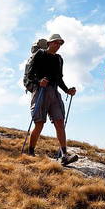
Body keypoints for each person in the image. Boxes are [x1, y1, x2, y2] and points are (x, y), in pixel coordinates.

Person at [26, 34, 78, 166]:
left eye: (60, 44)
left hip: (54, 91)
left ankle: (64, 155)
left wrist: (67, 90)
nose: (58, 45)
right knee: (39, 123)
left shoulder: (59, 59)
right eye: (56, 43)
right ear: (49, 43)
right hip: (40, 90)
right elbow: (30, 74)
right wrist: (39, 81)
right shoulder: (40, 54)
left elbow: (59, 78)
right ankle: (30, 151)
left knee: (59, 121)